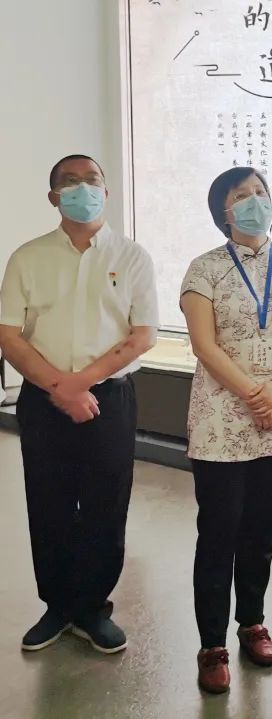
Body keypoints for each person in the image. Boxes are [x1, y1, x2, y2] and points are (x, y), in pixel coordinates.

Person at [0, 155, 158, 655]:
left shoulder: (132, 256)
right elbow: (9, 334)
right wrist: (59, 387)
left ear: (106, 192)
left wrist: (81, 384)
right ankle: (58, 606)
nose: (82, 189)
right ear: (53, 197)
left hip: (110, 396)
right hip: (41, 397)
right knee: (48, 502)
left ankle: (92, 608)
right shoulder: (28, 257)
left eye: (92, 180)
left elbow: (143, 335)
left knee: (105, 504)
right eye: (70, 182)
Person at [180, 167, 272, 694]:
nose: (255, 201)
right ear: (224, 211)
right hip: (221, 418)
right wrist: (252, 394)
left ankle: (252, 623)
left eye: (261, 192)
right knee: (219, 531)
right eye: (242, 195)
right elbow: (204, 345)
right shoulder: (205, 269)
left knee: (260, 530)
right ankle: (211, 643)